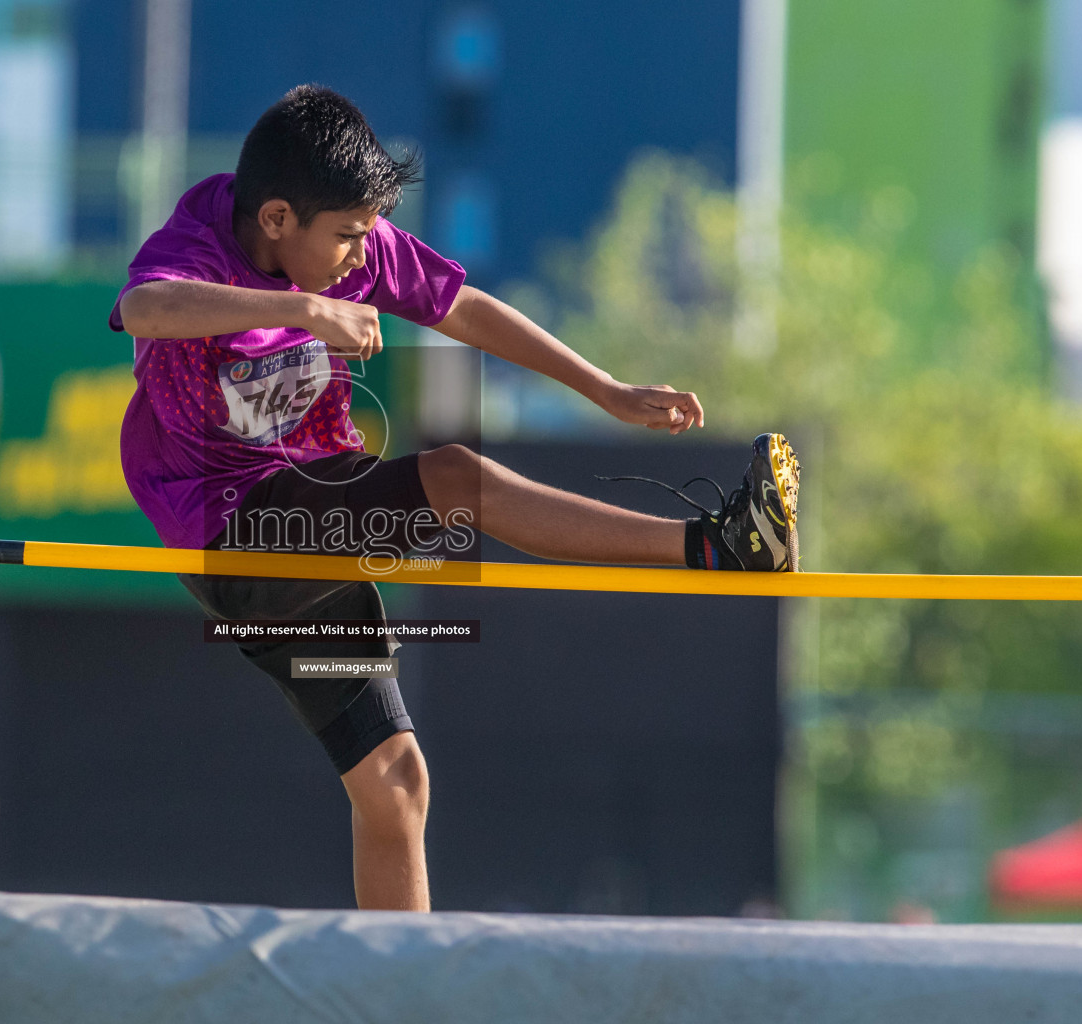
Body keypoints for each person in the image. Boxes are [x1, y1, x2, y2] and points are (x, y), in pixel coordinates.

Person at [109, 84, 799, 912]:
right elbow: (146, 307)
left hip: (308, 542)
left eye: (367, 239)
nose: (361, 261)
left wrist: (605, 389)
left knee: (396, 785)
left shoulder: (346, 243)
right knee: (455, 481)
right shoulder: (192, 247)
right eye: (346, 241)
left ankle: (400, 995)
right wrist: (306, 307)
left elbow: (463, 307)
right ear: (278, 219)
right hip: (238, 535)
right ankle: (717, 548)